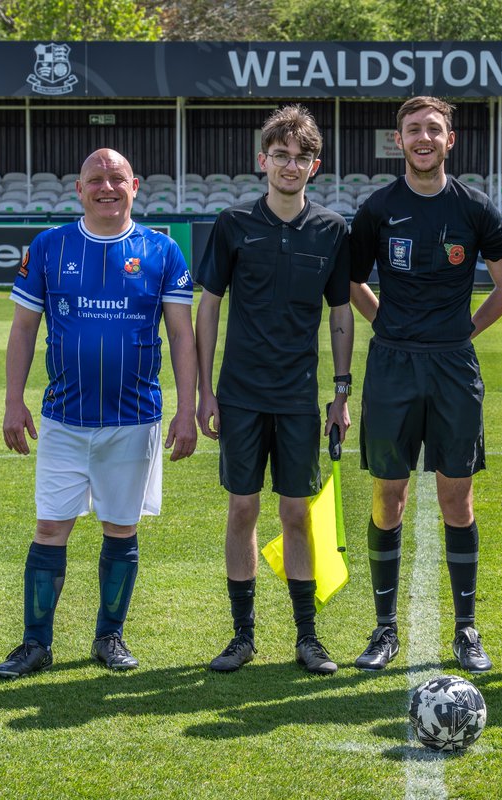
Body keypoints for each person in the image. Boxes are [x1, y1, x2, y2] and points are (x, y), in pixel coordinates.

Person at [0, 148, 197, 678]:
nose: (107, 187)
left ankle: (110, 637)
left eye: (117, 178)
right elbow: (23, 329)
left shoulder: (162, 250)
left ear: (135, 186)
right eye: (96, 179)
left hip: (134, 418)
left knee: (121, 530)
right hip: (63, 418)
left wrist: (187, 408)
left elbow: (181, 334)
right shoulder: (49, 246)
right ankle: (35, 643)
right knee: (49, 528)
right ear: (79, 189)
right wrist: (13, 400)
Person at [348, 96, 502, 673]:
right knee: (388, 496)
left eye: (434, 129)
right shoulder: (377, 208)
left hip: (452, 366)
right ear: (399, 140)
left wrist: (465, 330)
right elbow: (351, 281)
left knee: (456, 497)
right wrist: (386, 324)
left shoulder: (474, 207)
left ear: (451, 140)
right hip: (392, 366)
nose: (424, 138)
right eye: (414, 129)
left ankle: (467, 629)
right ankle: (384, 629)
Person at [195, 105, 353, 675]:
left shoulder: (333, 230)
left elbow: (341, 313)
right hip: (239, 394)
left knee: (295, 513)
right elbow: (208, 307)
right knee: (243, 508)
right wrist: (205, 391)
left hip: (297, 398)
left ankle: (308, 638)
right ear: (263, 160)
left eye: (301, 157)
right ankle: (242, 636)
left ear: (315, 166)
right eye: (281, 155)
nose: (290, 165)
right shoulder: (233, 223)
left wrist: (341, 392)